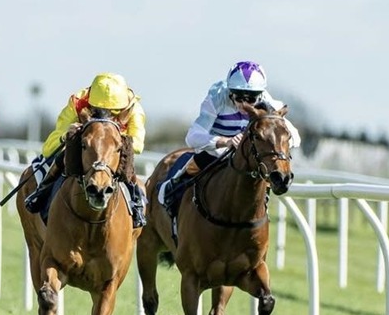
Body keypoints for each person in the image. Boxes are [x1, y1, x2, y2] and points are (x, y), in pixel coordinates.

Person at [158, 61, 302, 213]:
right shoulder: (218, 96)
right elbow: (192, 137)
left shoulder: (267, 102)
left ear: (259, 95)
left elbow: (295, 137)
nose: (244, 104)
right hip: (216, 151)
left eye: (251, 99)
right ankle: (174, 190)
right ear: (230, 92)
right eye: (239, 97)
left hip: (248, 156)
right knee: (201, 160)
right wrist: (225, 141)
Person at [23, 72, 147, 227]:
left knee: (129, 167)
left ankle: (137, 204)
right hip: (84, 149)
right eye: (100, 109)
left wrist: (113, 139)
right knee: (62, 157)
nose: (106, 115)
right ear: (91, 102)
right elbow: (48, 147)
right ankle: (41, 194)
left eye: (113, 111)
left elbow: (138, 145)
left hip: (113, 152)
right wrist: (68, 135)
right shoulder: (77, 102)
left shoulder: (133, 108)